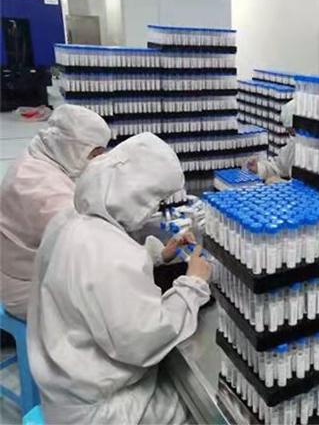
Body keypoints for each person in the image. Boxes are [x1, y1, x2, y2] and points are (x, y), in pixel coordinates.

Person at [27, 132, 212, 424]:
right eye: (155, 199)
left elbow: (92, 278)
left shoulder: (69, 219)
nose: (155, 208)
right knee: (201, 405)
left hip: (62, 391)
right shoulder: (111, 255)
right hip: (99, 411)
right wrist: (193, 285)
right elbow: (146, 340)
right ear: (135, 192)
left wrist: (159, 255)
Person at [0, 104, 111, 320]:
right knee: (113, 308)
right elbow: (89, 247)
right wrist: (151, 255)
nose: (97, 159)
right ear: (72, 146)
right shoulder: (42, 189)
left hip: (25, 270)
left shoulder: (42, 154)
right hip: (28, 290)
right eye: (94, 153)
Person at [247, 99, 296, 182]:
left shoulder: (317, 153)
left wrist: (283, 183)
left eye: (293, 132)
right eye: (290, 132)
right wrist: (258, 168)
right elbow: (278, 166)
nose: (291, 136)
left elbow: (312, 186)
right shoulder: (293, 146)